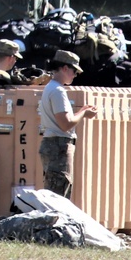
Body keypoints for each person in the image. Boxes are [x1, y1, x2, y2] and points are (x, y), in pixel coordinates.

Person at [39, 50, 98, 198]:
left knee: (54, 194)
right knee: (58, 198)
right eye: (74, 71)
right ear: (64, 68)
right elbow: (65, 124)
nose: (75, 75)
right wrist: (84, 113)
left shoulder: (51, 88)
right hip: (58, 145)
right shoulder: (58, 90)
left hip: (52, 144)